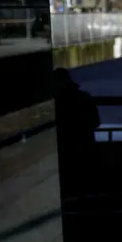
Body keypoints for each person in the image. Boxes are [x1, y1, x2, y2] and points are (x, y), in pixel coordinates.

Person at [53, 68, 101, 198]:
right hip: (85, 148)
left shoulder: (56, 103)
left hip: (65, 150)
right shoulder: (84, 97)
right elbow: (96, 122)